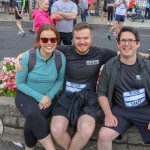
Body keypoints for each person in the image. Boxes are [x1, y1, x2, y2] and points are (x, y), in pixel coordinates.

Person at [15, 22, 150, 150]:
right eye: (78, 38)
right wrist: (20, 56)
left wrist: (147, 55)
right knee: (56, 130)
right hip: (66, 98)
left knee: (85, 130)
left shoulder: (100, 53)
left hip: (89, 99)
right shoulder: (64, 51)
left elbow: (126, 53)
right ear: (73, 38)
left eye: (86, 38)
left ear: (91, 38)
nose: (82, 41)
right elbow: (43, 46)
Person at [97, 26, 150, 150]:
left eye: (131, 40)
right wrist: (108, 114)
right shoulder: (110, 65)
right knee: (103, 136)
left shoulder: (147, 65)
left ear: (137, 44)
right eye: (123, 41)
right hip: (121, 111)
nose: (127, 44)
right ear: (118, 44)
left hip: (145, 109)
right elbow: (101, 92)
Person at [15, 24, 66, 150]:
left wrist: (48, 96)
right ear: (39, 41)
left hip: (49, 97)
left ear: (57, 40)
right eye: (44, 39)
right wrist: (40, 97)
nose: (49, 43)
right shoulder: (28, 57)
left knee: (32, 120)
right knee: (33, 114)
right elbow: (19, 83)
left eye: (53, 39)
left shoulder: (60, 58)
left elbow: (60, 80)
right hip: (26, 95)